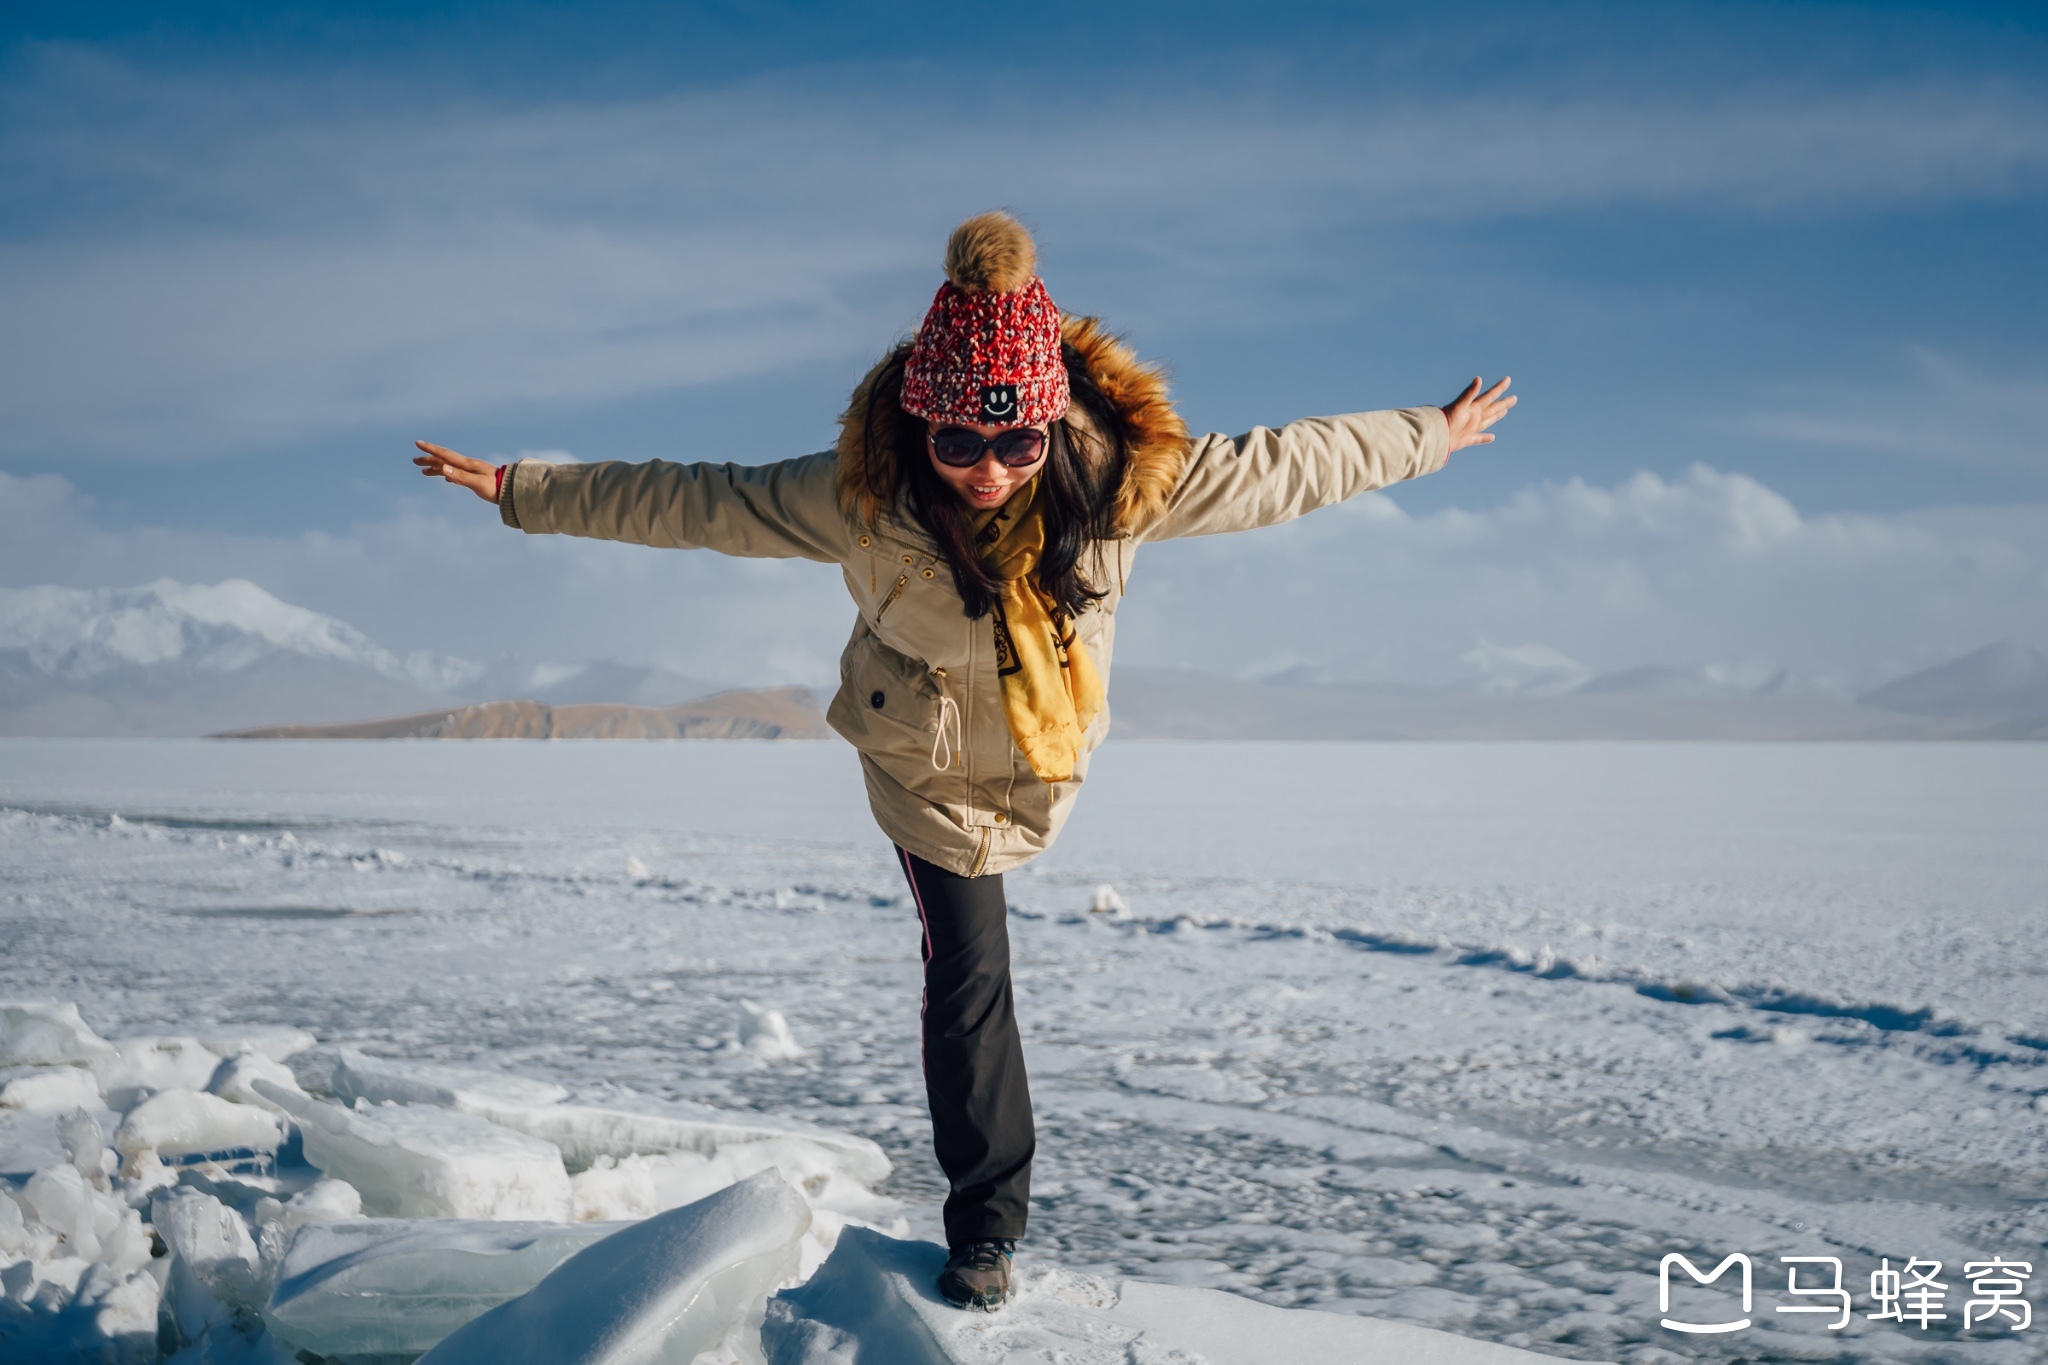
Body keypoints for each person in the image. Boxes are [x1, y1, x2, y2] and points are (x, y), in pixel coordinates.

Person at [412, 211, 1513, 1310]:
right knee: (969, 982)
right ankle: (984, 1232)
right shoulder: (860, 500)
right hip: (923, 778)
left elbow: (1284, 465)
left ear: (1048, 429)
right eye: (957, 445)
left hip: (1042, 763)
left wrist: (1430, 432)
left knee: (973, 979)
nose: (987, 471)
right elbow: (700, 497)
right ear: (919, 424)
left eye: (1015, 445)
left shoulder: (1119, 487)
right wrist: (525, 491)